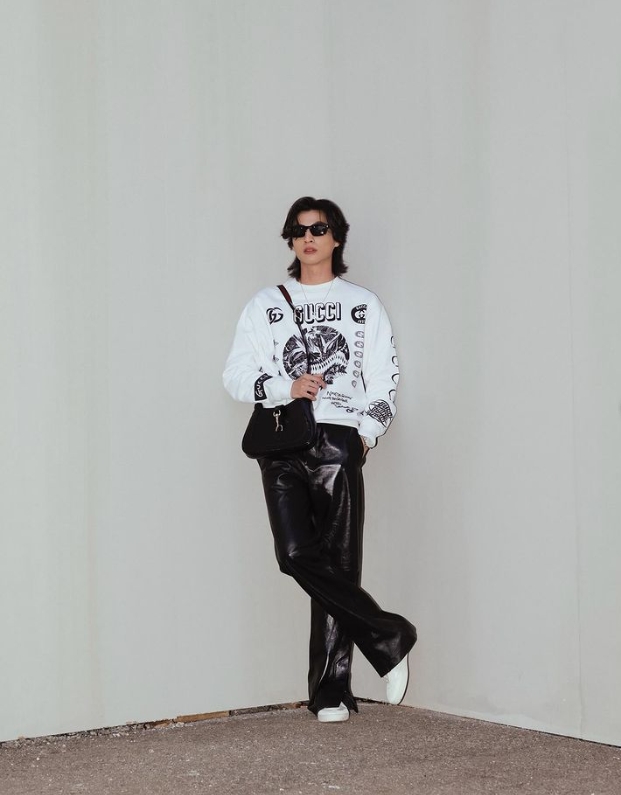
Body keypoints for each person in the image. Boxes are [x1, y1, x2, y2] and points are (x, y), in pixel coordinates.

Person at [223, 196, 416, 723]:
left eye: (319, 228)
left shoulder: (362, 304)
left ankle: (330, 692)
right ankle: (388, 636)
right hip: (282, 439)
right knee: (294, 554)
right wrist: (284, 386)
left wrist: (366, 434)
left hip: (338, 438)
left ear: (337, 238)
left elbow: (384, 375)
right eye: (299, 229)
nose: (308, 237)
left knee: (338, 564)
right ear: (290, 239)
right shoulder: (265, 304)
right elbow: (235, 375)